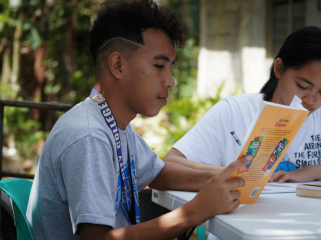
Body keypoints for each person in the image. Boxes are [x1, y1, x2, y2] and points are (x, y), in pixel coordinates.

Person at [26, 1, 251, 239]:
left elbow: (158, 174)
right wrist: (195, 211)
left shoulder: (113, 124)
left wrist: (225, 179)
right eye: (159, 66)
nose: (170, 81)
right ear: (118, 65)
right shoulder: (90, 136)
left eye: (170, 68)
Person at [163, 26, 321, 185]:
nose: (311, 100)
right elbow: (168, 165)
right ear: (279, 68)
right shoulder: (233, 112)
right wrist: (233, 173)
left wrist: (316, 170)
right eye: (303, 86)